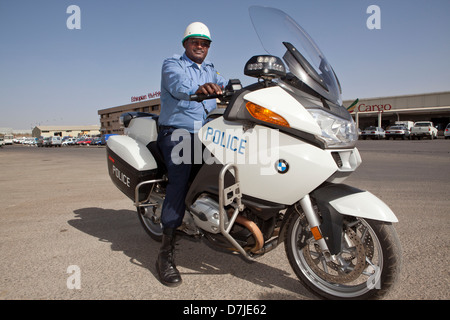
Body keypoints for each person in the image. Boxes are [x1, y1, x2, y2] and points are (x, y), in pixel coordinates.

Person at [156, 22, 227, 287]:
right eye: (195, 41)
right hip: (176, 132)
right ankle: (165, 254)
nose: (200, 46)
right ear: (185, 43)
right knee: (181, 178)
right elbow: (178, 85)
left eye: (205, 43)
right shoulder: (172, 64)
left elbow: (225, 83)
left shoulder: (211, 68)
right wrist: (198, 89)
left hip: (206, 132)